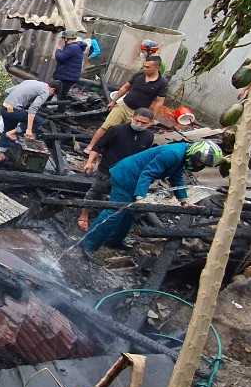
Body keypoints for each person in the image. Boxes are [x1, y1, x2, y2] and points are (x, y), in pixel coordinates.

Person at [78, 141, 223, 261]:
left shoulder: (182, 155)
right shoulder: (172, 154)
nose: (199, 165)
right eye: (199, 162)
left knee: (130, 214)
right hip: (127, 176)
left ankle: (114, 240)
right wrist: (140, 197)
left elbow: (177, 178)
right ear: (194, 153)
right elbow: (147, 173)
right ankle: (88, 244)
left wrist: (184, 201)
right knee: (114, 212)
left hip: (135, 178)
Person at [77, 108, 155, 231]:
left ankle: (107, 219)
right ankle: (84, 215)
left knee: (118, 197)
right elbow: (99, 145)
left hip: (128, 174)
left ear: (150, 123)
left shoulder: (149, 137)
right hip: (107, 169)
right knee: (95, 192)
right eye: (137, 121)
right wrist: (89, 162)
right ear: (132, 117)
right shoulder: (117, 130)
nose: (139, 125)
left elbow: (143, 156)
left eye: (144, 123)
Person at [87, 56, 169, 153]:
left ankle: (111, 153)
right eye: (144, 66)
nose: (145, 69)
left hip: (138, 113)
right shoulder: (139, 75)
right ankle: (91, 147)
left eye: (148, 67)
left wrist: (153, 119)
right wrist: (114, 101)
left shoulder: (162, 83)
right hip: (124, 105)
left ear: (157, 67)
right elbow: (125, 87)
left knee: (126, 135)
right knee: (107, 127)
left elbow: (159, 102)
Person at [0, 80, 58, 162]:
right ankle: (13, 132)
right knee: (39, 121)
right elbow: (33, 109)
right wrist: (28, 129)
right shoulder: (45, 91)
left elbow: (7, 92)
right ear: (52, 89)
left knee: (7, 130)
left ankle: (0, 156)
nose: (50, 95)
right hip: (14, 111)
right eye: (53, 94)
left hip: (4, 109)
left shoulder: (30, 81)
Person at [53, 29, 87, 100]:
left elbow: (60, 57)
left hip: (66, 76)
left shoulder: (72, 47)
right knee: (57, 91)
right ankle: (47, 107)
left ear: (66, 39)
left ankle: (60, 111)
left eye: (63, 38)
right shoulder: (76, 47)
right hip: (68, 76)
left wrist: (58, 50)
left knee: (61, 94)